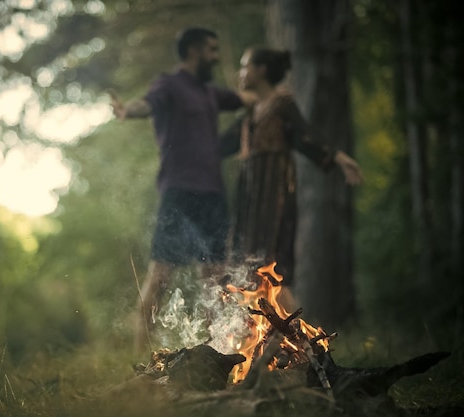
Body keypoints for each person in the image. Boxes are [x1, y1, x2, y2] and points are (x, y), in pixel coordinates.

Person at [110, 27, 255, 352]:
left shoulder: (210, 92)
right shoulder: (169, 85)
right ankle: (138, 361)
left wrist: (271, 95)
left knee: (215, 282)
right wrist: (125, 111)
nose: (216, 56)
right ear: (193, 50)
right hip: (179, 194)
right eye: (212, 49)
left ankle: (213, 357)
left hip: (213, 196)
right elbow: (145, 104)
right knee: (160, 277)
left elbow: (245, 100)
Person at [223, 47, 362, 309]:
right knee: (247, 266)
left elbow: (306, 137)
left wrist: (341, 159)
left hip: (274, 193)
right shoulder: (252, 111)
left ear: (261, 70)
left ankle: (303, 338)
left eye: (245, 66)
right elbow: (221, 144)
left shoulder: (283, 105)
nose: (241, 72)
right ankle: (259, 338)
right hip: (250, 197)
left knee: (269, 266)